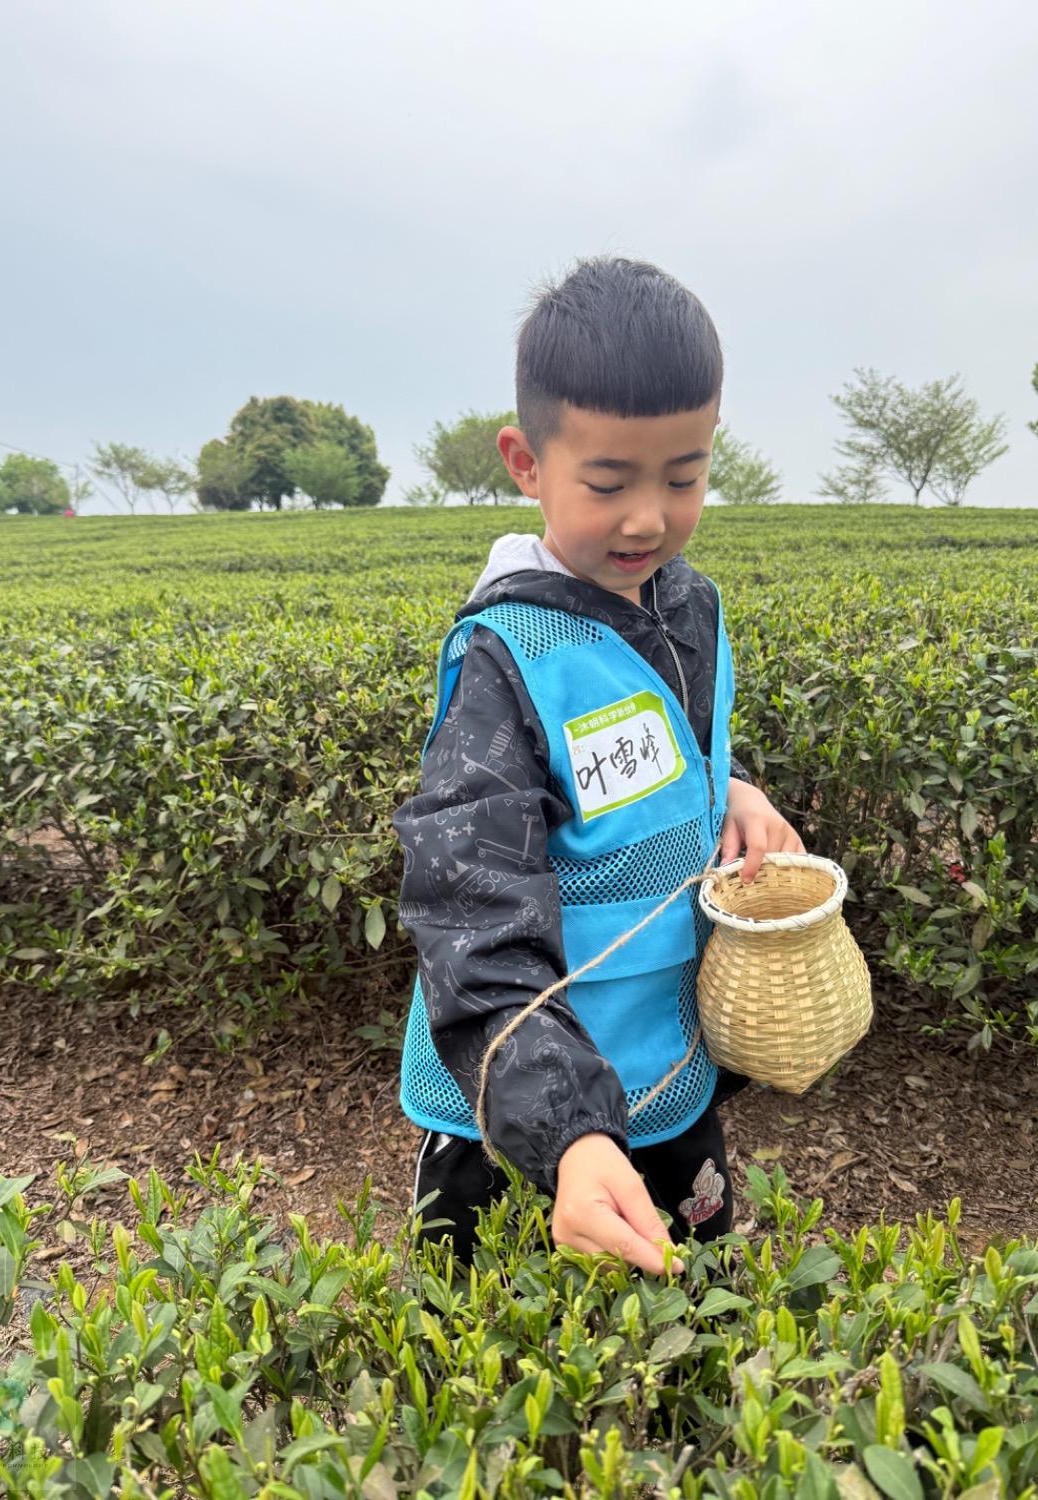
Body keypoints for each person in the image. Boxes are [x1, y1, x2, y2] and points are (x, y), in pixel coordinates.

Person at [393, 255, 805, 1274]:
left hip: (665, 1069)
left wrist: (730, 787)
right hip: (519, 1106)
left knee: (691, 1306)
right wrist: (568, 1131)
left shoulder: (687, 604)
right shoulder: (508, 658)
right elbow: (470, 907)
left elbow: (659, 755)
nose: (648, 518)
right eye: (609, 483)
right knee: (489, 1330)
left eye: (684, 477)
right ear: (526, 462)